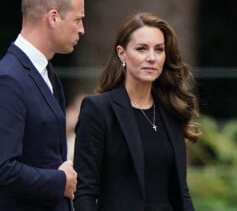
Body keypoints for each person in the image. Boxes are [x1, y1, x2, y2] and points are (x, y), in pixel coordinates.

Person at [73, 12, 200, 211]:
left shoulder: (172, 110)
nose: (152, 58)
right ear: (122, 53)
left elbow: (181, 191)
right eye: (141, 49)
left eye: (159, 50)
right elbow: (84, 191)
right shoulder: (99, 110)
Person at [0, 0, 85, 210]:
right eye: (78, 20)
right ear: (54, 17)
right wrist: (60, 181)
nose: (81, 29)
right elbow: (3, 169)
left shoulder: (47, 73)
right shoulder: (9, 78)